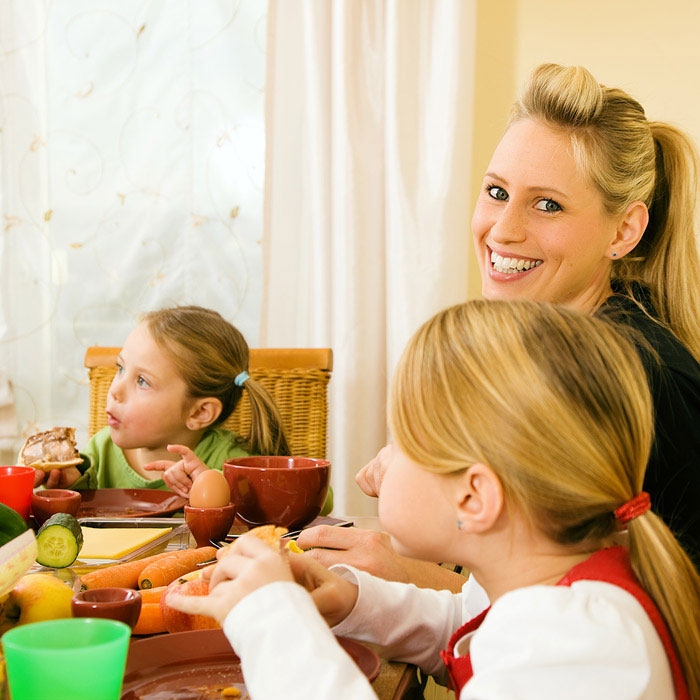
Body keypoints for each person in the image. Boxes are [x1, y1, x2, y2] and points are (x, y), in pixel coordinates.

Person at [169, 300, 700, 699]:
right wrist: (355, 602)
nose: (379, 461)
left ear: (473, 497)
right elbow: (463, 627)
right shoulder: (547, 590)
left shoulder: (576, 644)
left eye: (401, 439)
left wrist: (271, 621)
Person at [296, 62, 700, 584]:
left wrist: (411, 576)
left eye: (547, 205)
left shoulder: (638, 377)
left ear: (623, 231)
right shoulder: (552, 354)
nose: (502, 230)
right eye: (496, 192)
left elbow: (610, 617)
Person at [33, 305, 290, 496]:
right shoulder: (100, 451)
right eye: (120, 368)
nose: (115, 390)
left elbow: (312, 500)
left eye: (142, 381)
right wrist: (70, 484)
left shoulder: (229, 459)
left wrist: (214, 488)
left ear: (200, 412)